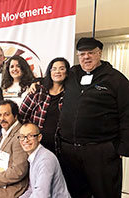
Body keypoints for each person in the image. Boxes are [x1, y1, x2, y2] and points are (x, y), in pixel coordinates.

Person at [59, 37, 129, 198]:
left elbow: (127, 113)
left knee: (105, 193)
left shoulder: (115, 79)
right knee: (75, 193)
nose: (86, 57)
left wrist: (122, 147)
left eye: (91, 53)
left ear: (100, 54)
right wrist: (36, 83)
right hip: (70, 150)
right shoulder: (71, 74)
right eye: (82, 54)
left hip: (101, 151)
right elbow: (52, 83)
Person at [19, 57, 70, 153]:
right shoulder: (38, 91)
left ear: (67, 72)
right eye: (54, 69)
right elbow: (22, 115)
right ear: (49, 72)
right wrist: (30, 134)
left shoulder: (69, 94)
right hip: (36, 145)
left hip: (59, 147)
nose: (57, 71)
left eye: (62, 68)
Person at [18, 123, 70, 198]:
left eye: (30, 136)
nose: (25, 140)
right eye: (22, 136)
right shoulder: (34, 156)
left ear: (39, 137)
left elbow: (41, 195)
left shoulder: (45, 160)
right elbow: (32, 190)